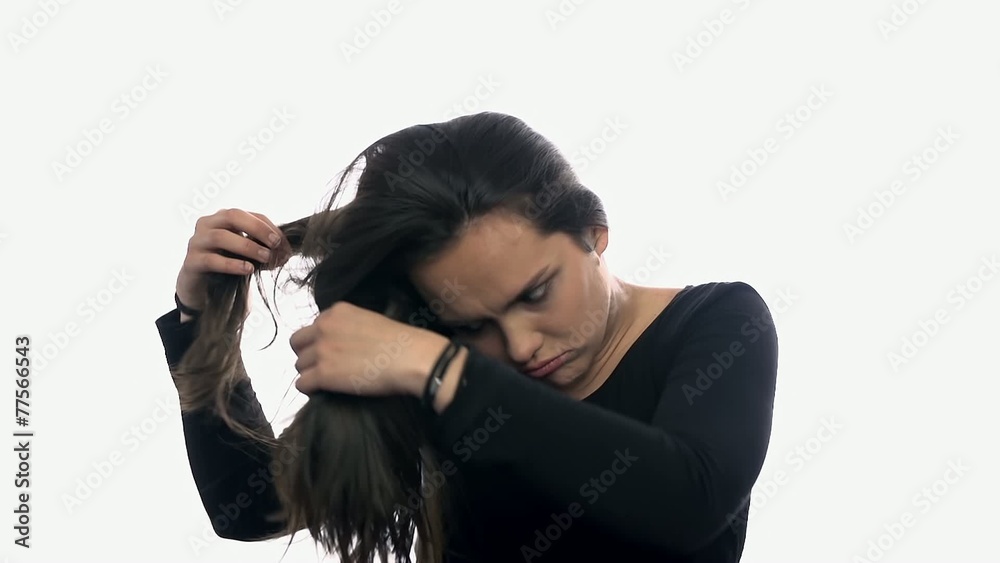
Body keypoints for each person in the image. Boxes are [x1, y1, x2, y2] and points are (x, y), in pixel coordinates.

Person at [155, 112, 779, 562]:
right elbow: (250, 504)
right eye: (471, 324)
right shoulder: (430, 362)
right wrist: (200, 321)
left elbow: (689, 502)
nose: (519, 346)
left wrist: (440, 366)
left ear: (594, 233)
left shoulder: (717, 323)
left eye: (535, 293)